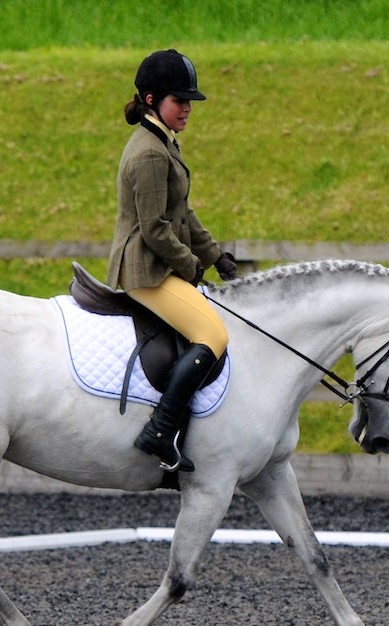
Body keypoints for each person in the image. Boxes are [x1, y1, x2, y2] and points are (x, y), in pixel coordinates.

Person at [107, 48, 239, 473]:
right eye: (179, 100)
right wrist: (192, 266)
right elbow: (155, 229)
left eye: (189, 101)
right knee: (213, 334)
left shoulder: (163, 143)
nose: (186, 109)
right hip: (145, 269)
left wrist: (216, 255)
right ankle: (160, 431)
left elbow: (183, 213)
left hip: (159, 263)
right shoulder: (149, 152)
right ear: (151, 100)